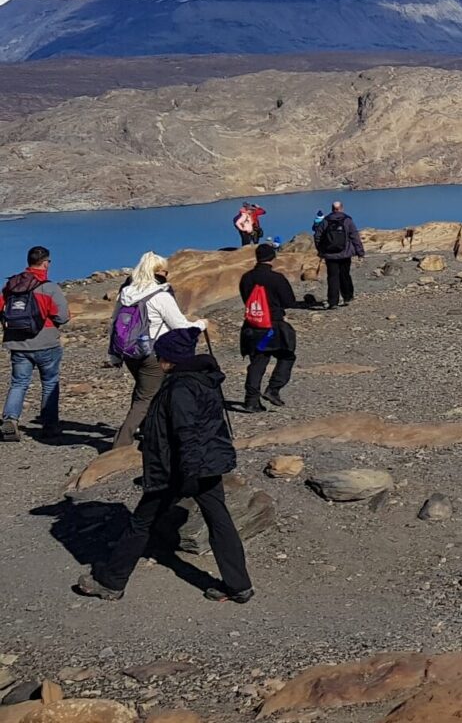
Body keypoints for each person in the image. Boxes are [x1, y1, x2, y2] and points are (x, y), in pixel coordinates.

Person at [76, 327, 253, 604]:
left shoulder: (180, 387)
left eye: (161, 357)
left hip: (179, 468)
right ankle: (239, 586)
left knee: (140, 523)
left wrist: (188, 473)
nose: (158, 362)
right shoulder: (203, 379)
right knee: (219, 520)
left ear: (173, 359)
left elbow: (185, 432)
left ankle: (110, 582)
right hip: (208, 463)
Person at [111, 252, 209, 449]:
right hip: (153, 352)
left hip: (130, 350)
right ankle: (121, 443)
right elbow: (179, 325)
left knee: (143, 389)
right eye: (166, 271)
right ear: (158, 272)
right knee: (146, 396)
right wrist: (200, 324)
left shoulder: (126, 293)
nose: (167, 274)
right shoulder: (160, 295)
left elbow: (114, 323)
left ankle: (147, 428)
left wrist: (113, 354)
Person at [2, 246, 69, 443]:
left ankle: (10, 419)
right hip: (46, 342)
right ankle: (50, 426)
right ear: (45, 262)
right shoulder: (49, 287)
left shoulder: (11, 285)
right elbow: (63, 316)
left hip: (17, 343)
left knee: (18, 383)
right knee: (49, 383)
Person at [237, 243, 297, 413]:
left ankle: (251, 401)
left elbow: (245, 299)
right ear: (272, 258)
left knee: (258, 361)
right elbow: (288, 301)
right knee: (286, 355)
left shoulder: (246, 278)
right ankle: (273, 389)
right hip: (272, 328)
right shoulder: (276, 278)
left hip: (252, 326)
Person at [313, 201, 364, 309]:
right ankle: (348, 297)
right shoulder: (347, 220)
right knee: (345, 275)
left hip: (330, 255)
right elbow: (354, 236)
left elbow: (317, 236)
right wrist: (360, 252)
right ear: (342, 208)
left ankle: (333, 302)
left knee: (332, 277)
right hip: (345, 254)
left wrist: (321, 250)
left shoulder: (325, 221)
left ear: (332, 209)